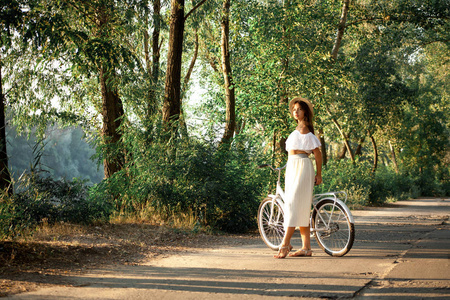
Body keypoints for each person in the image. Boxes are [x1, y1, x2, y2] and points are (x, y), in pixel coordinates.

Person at [274, 96, 323, 259]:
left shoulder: (306, 130)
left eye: (299, 109)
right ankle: (306, 248)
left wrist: (319, 174)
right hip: (292, 167)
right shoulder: (297, 128)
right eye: (294, 109)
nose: (296, 112)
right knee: (300, 207)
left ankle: (285, 244)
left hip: (302, 167)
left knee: (293, 206)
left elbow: (317, 153)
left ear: (305, 112)